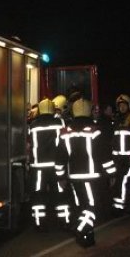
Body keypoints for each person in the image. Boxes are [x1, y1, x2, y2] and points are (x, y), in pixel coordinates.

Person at [56, 98, 116, 247]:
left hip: (73, 177)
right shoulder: (95, 131)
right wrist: (112, 173)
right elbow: (104, 155)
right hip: (91, 177)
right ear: (88, 111)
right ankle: (80, 229)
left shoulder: (66, 132)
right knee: (91, 206)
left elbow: (60, 158)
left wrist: (61, 177)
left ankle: (87, 237)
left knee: (81, 206)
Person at [27, 97, 70, 230]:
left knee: (38, 194)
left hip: (38, 167)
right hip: (55, 166)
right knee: (60, 193)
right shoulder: (60, 122)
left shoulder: (33, 125)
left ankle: (39, 222)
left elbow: (29, 144)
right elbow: (65, 142)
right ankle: (64, 221)